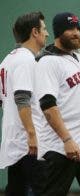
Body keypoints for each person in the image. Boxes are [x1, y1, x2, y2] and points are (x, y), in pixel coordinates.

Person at [35, 12, 80, 195]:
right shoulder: (48, 62)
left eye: (77, 28)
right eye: (70, 29)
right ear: (58, 32)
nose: (76, 32)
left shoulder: (78, 58)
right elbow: (47, 104)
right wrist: (67, 140)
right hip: (61, 146)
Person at [0, 11, 48, 195]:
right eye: (43, 29)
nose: (47, 33)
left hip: (14, 141)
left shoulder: (8, 59)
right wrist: (31, 134)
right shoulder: (25, 60)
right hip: (28, 142)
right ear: (34, 32)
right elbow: (22, 98)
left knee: (16, 189)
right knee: (40, 189)